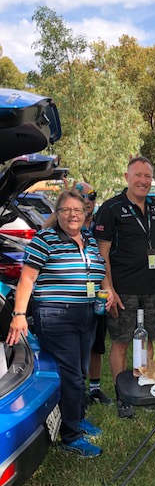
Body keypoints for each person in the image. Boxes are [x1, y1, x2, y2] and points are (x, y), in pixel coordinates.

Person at [6, 189, 113, 458]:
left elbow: (97, 268)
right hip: (56, 316)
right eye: (66, 210)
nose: (72, 215)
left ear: (86, 212)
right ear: (58, 214)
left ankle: (76, 417)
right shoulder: (45, 239)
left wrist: (107, 290)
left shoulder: (87, 238)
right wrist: (19, 315)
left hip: (87, 314)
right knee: (72, 376)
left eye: (78, 210)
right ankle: (71, 436)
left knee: (81, 370)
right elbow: (27, 279)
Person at [95, 156, 155, 418]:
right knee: (122, 342)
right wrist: (108, 287)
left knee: (148, 341)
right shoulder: (111, 209)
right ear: (127, 177)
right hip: (122, 289)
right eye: (138, 175)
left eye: (147, 176)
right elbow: (102, 254)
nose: (143, 181)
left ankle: (147, 388)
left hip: (153, 288)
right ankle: (123, 395)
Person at [62, 179, 113, 406]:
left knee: (96, 344)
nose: (88, 202)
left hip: (97, 296)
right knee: (75, 346)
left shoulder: (102, 220)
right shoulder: (64, 222)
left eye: (91, 197)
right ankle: (77, 390)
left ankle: (94, 389)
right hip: (71, 298)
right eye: (82, 198)